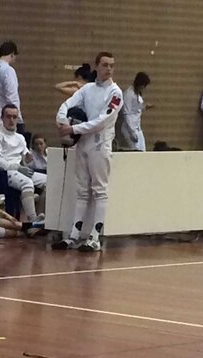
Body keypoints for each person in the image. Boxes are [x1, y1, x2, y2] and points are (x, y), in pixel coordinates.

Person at [55, 51, 123, 252]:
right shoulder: (88, 89)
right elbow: (67, 104)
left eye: (111, 65)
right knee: (82, 191)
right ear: (97, 66)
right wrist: (61, 121)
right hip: (83, 145)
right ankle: (74, 235)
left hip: (100, 146)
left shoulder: (116, 93)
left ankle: (95, 237)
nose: (108, 68)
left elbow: (103, 120)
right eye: (105, 65)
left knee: (99, 191)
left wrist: (74, 129)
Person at [0, 104, 45, 223]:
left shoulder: (20, 138)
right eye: (8, 117)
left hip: (20, 171)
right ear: (2, 118)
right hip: (2, 173)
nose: (11, 120)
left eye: (14, 117)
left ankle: (41, 214)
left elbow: (26, 159)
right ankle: (33, 220)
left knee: (50, 181)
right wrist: (17, 167)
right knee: (27, 183)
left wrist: (28, 160)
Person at [120, 72, 151, 152]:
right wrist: (131, 132)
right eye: (143, 85)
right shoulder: (129, 94)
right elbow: (126, 113)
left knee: (143, 151)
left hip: (137, 127)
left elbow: (136, 108)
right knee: (136, 151)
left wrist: (144, 107)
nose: (144, 88)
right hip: (129, 127)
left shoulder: (137, 93)